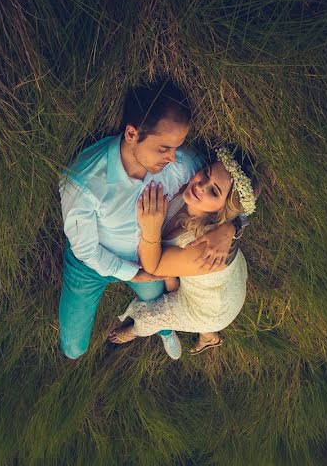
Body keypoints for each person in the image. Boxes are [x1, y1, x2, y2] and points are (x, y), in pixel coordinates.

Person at [58, 80, 242, 360]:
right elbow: (86, 250)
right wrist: (133, 274)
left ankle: (165, 332)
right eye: (164, 148)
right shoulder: (81, 183)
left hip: (145, 257)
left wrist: (231, 227)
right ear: (132, 133)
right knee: (73, 350)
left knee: (159, 302)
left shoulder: (182, 163)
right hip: (90, 266)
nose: (172, 158)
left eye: (177, 147)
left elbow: (237, 195)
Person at [107, 146, 257, 355]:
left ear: (224, 209)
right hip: (222, 284)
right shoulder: (195, 198)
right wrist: (231, 227)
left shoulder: (203, 250)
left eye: (214, 191)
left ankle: (134, 331)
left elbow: (154, 267)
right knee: (184, 283)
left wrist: (151, 229)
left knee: (153, 316)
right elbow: (239, 216)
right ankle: (208, 337)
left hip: (211, 309)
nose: (201, 186)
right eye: (206, 174)